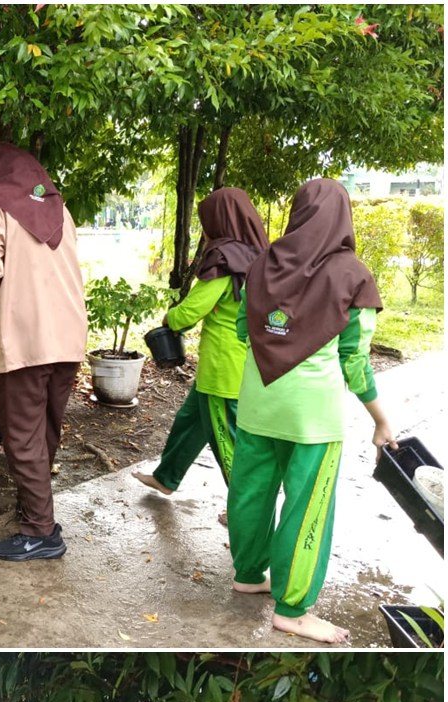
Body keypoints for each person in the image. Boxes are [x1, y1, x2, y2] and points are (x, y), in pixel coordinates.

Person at [228, 177, 396, 645]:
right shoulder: (353, 275)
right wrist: (381, 420)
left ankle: (248, 574)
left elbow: (245, 329)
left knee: (250, 492)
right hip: (313, 418)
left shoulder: (263, 263)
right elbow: (355, 362)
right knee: (307, 510)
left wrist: (279, 337)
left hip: (259, 402)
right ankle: (293, 609)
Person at [0, 142, 87, 562]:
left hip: (25, 339)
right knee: (46, 428)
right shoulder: (59, 208)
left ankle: (40, 531)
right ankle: (35, 507)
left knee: (21, 435)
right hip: (68, 338)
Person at [134, 189, 269, 499]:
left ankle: (246, 509)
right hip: (237, 362)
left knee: (227, 441)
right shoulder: (257, 254)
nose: (205, 227)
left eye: (205, 220)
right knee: (189, 422)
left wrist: (171, 318)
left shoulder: (225, 259)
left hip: (223, 371)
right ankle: (166, 477)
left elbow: (194, 309)